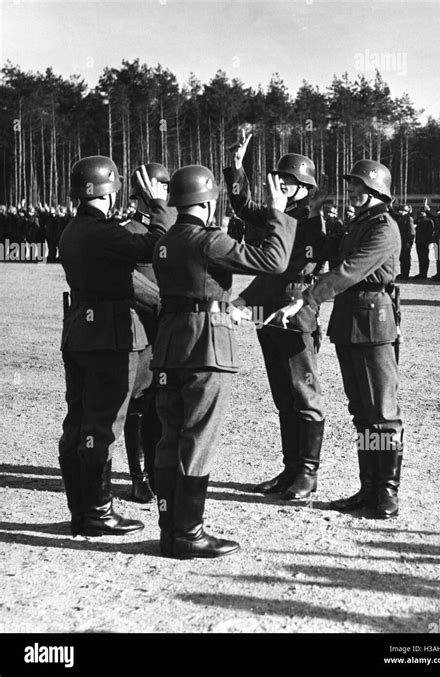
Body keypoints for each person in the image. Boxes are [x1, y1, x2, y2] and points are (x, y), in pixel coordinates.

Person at [151, 164, 297, 559]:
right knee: (197, 438)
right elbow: (274, 260)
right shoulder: (207, 240)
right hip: (205, 347)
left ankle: (170, 528)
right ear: (209, 200)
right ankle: (189, 534)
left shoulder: (165, 240)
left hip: (169, 347)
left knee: (170, 437)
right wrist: (278, 211)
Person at [266, 159, 405, 520]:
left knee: (382, 414)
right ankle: (368, 487)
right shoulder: (356, 225)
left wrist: (307, 297)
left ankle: (386, 492)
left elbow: (348, 271)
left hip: (374, 324)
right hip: (349, 323)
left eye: (358, 187)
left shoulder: (383, 228)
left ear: (376, 191)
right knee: (361, 413)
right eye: (352, 186)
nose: (352, 192)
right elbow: (325, 249)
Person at [58, 155, 170, 537]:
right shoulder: (106, 232)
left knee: (78, 423)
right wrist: (158, 205)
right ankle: (98, 512)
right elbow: (158, 246)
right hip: (111, 336)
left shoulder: (72, 230)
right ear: (110, 190)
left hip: (79, 333)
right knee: (104, 425)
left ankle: (82, 509)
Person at [224, 137, 340, 501]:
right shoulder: (279, 215)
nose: (278, 185)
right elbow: (243, 207)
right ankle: (290, 468)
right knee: (283, 396)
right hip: (269, 316)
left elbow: (295, 270)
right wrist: (237, 168)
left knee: (304, 395)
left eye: (286, 181)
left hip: (297, 315)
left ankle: (307, 473)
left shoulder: (313, 223)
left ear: (305, 188)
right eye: (276, 179)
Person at [120, 162, 176, 502]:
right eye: (157, 190)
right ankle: (139, 476)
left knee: (162, 400)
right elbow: (126, 276)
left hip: (167, 329)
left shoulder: (169, 229)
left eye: (167, 190)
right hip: (139, 327)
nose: (164, 196)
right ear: (139, 197)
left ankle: (158, 471)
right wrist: (160, 301)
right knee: (138, 402)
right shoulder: (126, 231)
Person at [413, 207, 434, 279]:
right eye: (420, 212)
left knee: (424, 259)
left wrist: (430, 242)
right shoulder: (418, 220)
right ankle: (421, 273)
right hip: (419, 242)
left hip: (425, 242)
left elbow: (430, 233)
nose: (421, 214)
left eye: (422, 212)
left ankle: (424, 274)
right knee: (420, 258)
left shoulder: (429, 221)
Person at [396, 205, 415, 280]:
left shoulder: (409, 218)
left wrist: (409, 242)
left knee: (406, 258)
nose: (399, 212)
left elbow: (411, 232)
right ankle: (402, 273)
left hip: (406, 241)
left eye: (401, 210)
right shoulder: (400, 218)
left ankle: (406, 274)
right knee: (402, 258)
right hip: (401, 241)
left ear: (405, 211)